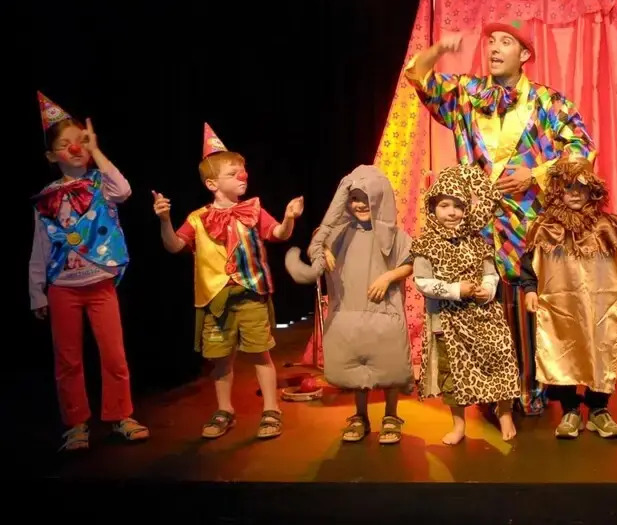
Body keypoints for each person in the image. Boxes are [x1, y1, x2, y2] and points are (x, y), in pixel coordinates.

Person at [405, 20, 595, 414]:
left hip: (529, 222)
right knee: (481, 305)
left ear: (524, 54)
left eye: (505, 42)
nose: (493, 48)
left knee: (528, 307)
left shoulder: (547, 102)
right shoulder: (466, 94)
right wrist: (439, 49)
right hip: (476, 224)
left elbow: (582, 150)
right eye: (491, 41)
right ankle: (489, 391)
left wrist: (536, 174)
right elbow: (419, 77)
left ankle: (533, 388)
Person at [153, 123, 303, 440]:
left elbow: (278, 234)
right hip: (215, 298)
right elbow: (175, 246)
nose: (243, 177)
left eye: (243, 172)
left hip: (251, 293)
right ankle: (225, 410)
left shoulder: (254, 210)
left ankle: (271, 410)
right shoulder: (197, 218)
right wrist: (165, 220)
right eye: (234, 173)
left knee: (261, 353)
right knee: (220, 360)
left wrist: (289, 218)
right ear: (212, 183)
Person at [29, 92, 150, 451]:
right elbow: (39, 246)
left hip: (99, 284)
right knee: (68, 360)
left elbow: (125, 190)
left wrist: (96, 150)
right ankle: (76, 424)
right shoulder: (46, 197)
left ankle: (120, 415)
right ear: (52, 156)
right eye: (65, 145)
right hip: (62, 286)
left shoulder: (102, 184)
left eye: (80, 141)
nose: (75, 148)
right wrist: (37, 291)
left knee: (114, 354)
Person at [285, 165, 414, 445]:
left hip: (384, 310)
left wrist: (388, 277)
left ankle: (391, 415)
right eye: (354, 198)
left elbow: (409, 262)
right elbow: (318, 241)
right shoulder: (341, 234)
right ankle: (360, 416)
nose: (360, 204)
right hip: (350, 309)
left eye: (366, 198)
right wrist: (325, 249)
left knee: (388, 362)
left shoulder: (395, 235)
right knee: (358, 363)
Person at [518, 156, 617, 439]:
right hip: (561, 305)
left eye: (582, 188)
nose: (575, 194)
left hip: (600, 305)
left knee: (601, 347)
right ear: (557, 190)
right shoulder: (545, 227)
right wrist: (530, 288)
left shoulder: (605, 226)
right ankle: (570, 409)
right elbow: (529, 262)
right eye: (568, 187)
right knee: (563, 349)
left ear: (592, 191)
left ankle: (598, 408)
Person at [411, 165, 520, 444]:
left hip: (484, 317)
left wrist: (487, 289)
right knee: (453, 376)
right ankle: (459, 425)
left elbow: (490, 273)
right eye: (444, 205)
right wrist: (455, 290)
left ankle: (504, 412)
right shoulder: (426, 244)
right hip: (447, 323)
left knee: (500, 358)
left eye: (458, 206)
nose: (452, 212)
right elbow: (422, 282)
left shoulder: (477, 241)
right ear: (432, 207)